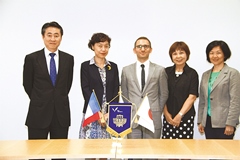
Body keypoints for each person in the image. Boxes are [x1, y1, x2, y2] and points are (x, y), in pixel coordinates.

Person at [23, 21, 74, 159]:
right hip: (38, 114)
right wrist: (41, 100)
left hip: (61, 115)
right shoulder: (32, 58)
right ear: (43, 36)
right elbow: (27, 84)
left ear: (61, 38)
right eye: (49, 35)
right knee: (36, 155)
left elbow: (67, 85)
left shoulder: (68, 59)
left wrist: (56, 99)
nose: (53, 39)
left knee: (59, 155)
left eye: (56, 35)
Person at [121, 36, 168, 140]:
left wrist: (156, 110)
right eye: (139, 46)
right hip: (134, 118)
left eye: (146, 46)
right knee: (134, 152)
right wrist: (132, 109)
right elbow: (125, 93)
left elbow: (164, 94)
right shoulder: (126, 70)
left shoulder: (160, 70)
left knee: (152, 152)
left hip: (153, 117)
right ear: (134, 50)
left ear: (150, 50)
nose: (142, 49)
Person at [79, 33, 119, 140]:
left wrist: (110, 112)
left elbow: (116, 90)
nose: (103, 49)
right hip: (92, 112)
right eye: (100, 46)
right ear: (93, 46)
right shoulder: (86, 66)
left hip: (109, 114)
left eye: (106, 46)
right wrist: (97, 114)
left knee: (106, 150)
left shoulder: (113, 67)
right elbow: (85, 89)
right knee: (89, 150)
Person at [197, 40, 240, 139]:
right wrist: (200, 121)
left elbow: (235, 100)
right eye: (211, 53)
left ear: (225, 54)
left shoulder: (232, 73)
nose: (214, 56)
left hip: (224, 123)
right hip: (208, 121)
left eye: (218, 53)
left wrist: (231, 123)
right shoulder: (205, 74)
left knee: (223, 152)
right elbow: (203, 100)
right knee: (210, 152)